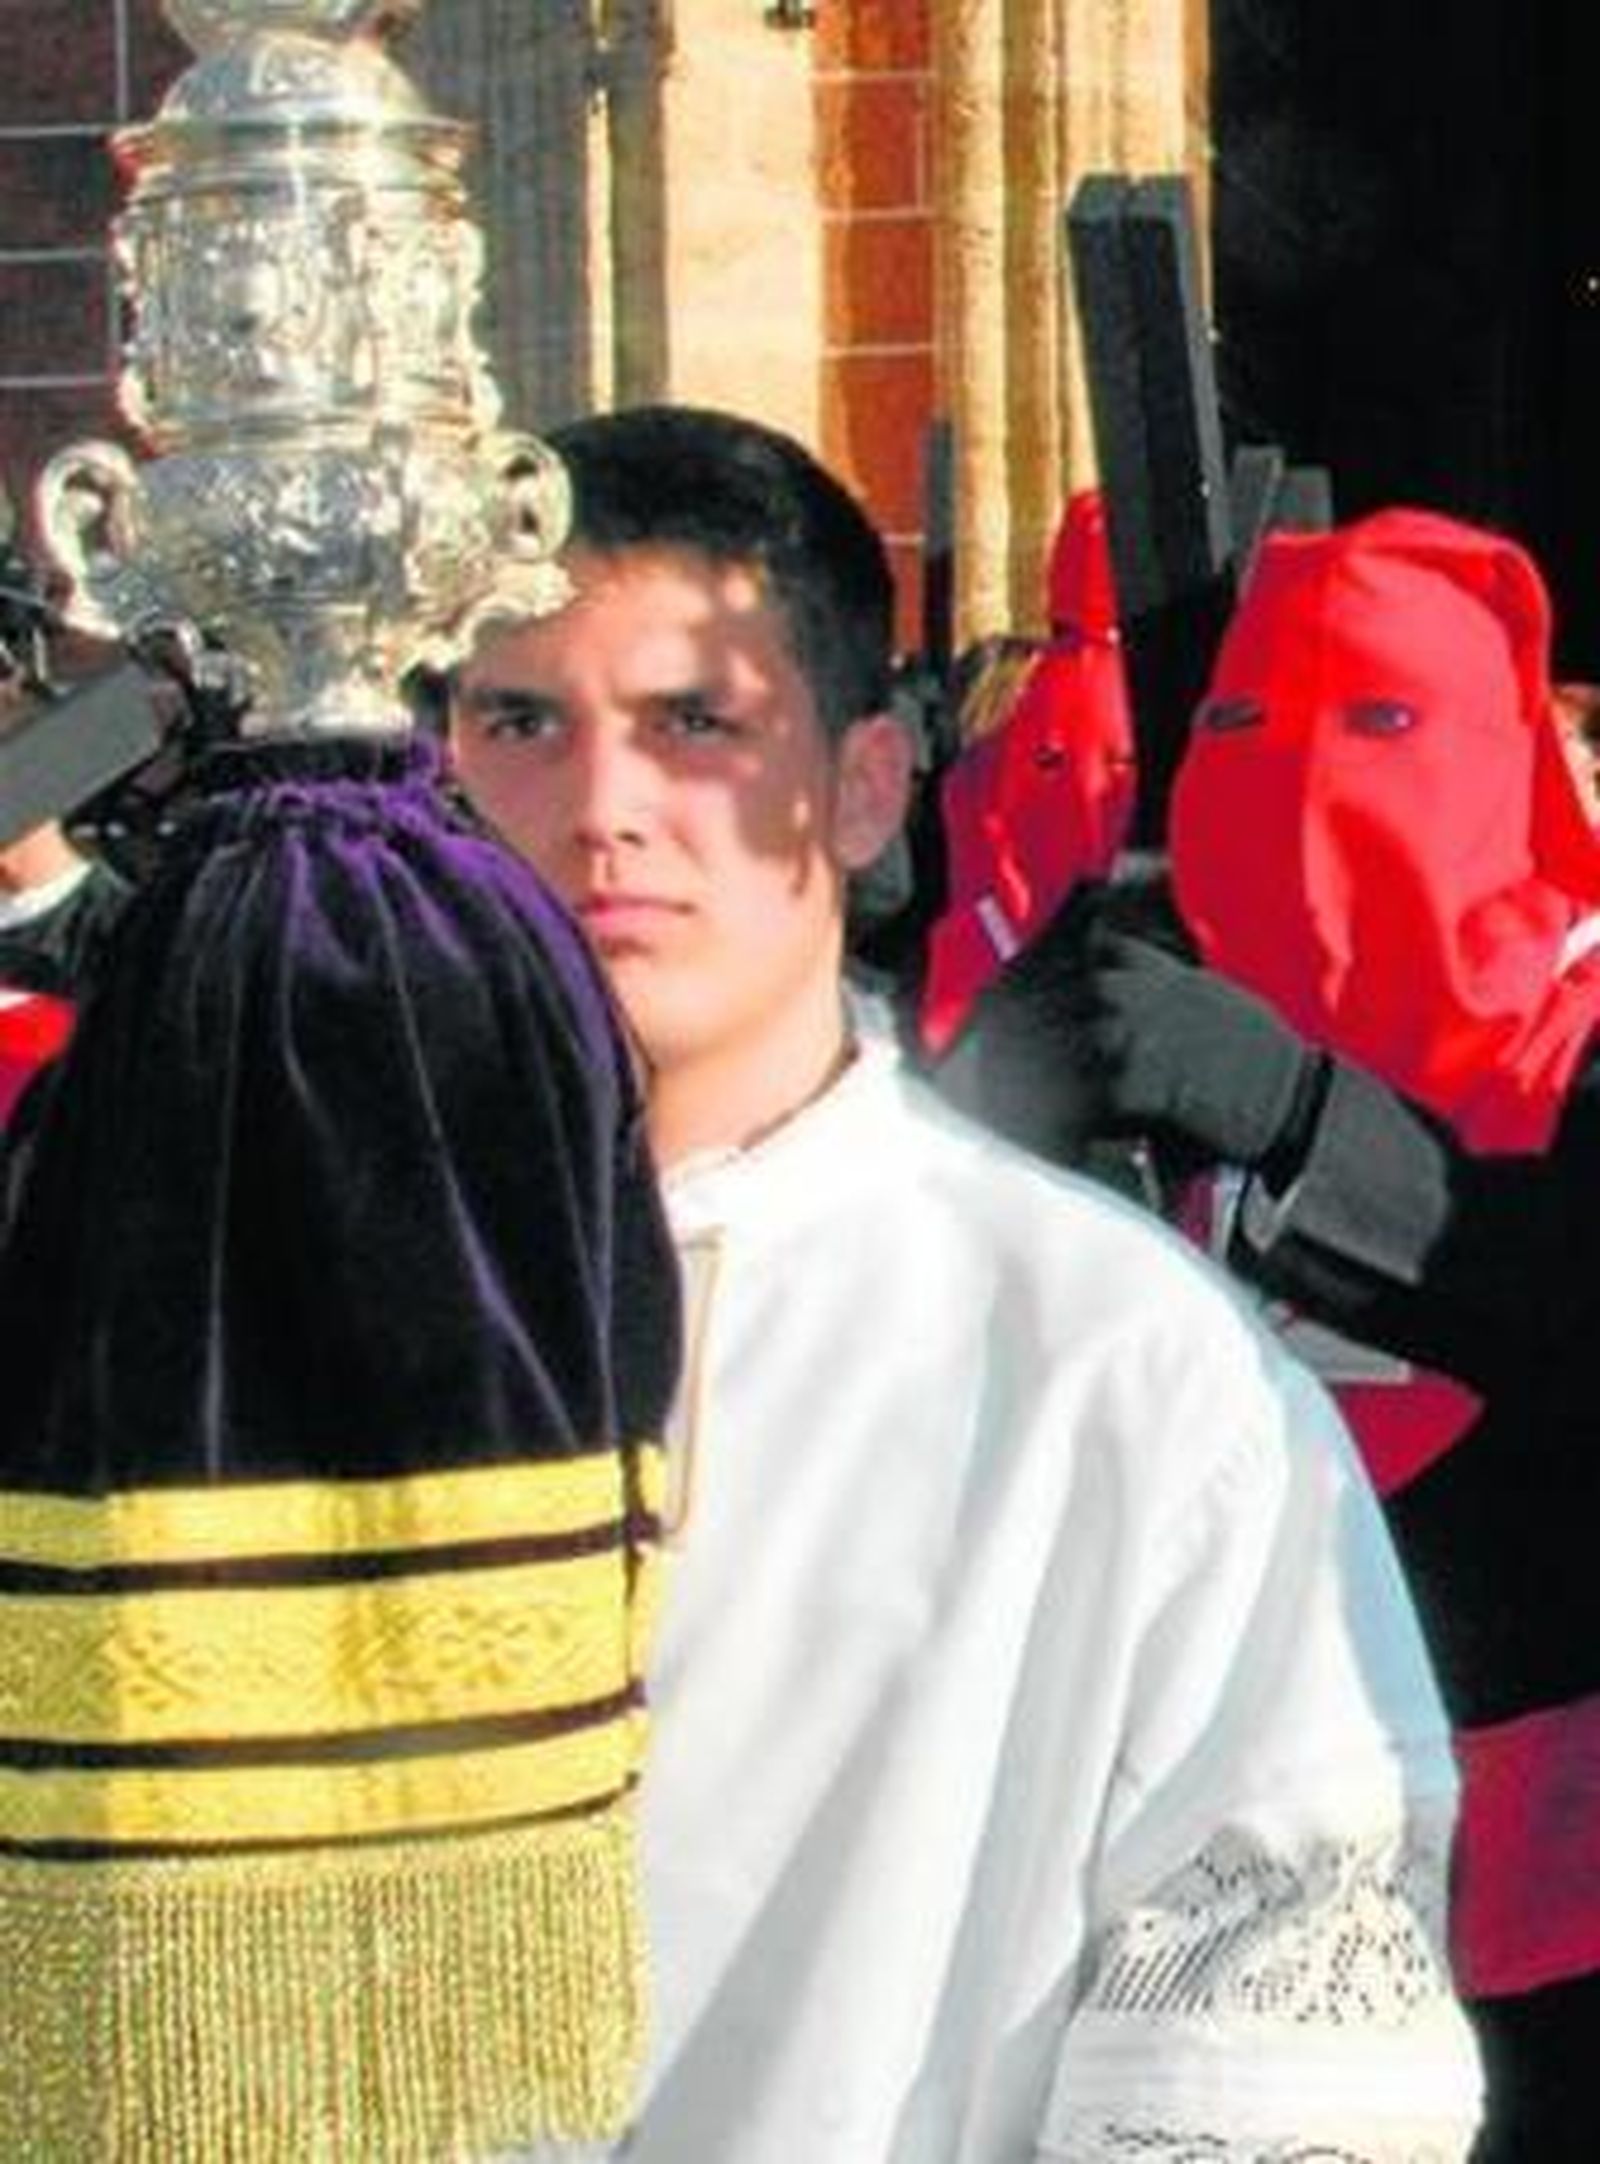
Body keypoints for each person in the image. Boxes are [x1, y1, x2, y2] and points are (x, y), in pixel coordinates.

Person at [447, 402, 1480, 2160]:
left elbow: (1278, 2034)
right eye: (523, 723)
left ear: (860, 787)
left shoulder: (1120, 1370)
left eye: (696, 723)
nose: (604, 810)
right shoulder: (253, 1309)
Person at [965, 508, 1600, 2161]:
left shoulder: (1581, 1020)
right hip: (1219, 1861)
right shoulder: (1160, 998)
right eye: (1248, 729)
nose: (1317, 784)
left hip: (1560, 1849)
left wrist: (1302, 1113)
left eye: (1386, 725)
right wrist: (987, 1112)